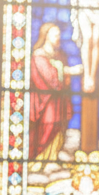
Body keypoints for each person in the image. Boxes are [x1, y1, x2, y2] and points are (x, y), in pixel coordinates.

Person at [28, 23, 82, 165]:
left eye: (59, 34)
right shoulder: (39, 56)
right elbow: (48, 77)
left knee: (59, 124)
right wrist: (69, 71)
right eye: (55, 35)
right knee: (49, 124)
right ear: (46, 36)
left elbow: (61, 80)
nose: (59, 38)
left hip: (59, 100)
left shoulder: (58, 55)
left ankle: (53, 154)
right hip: (46, 101)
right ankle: (41, 157)